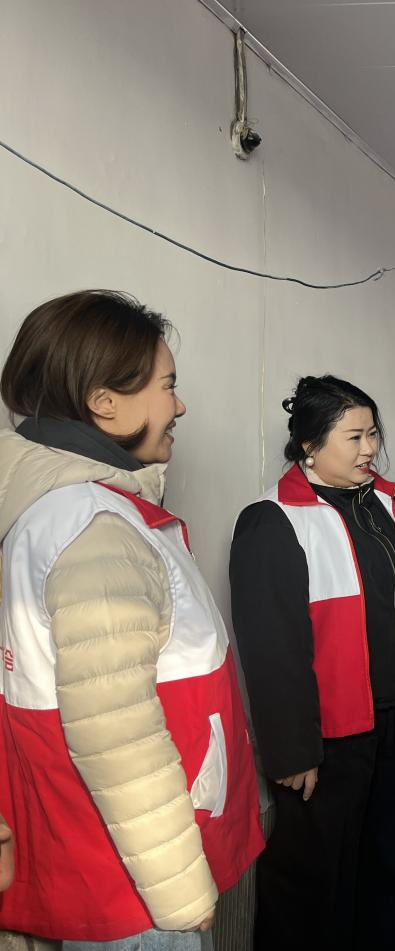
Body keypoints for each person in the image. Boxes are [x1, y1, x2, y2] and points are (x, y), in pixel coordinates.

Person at [0, 290, 263, 948]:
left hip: (118, 870)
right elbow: (119, 737)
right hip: (134, 893)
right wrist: (180, 891)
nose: (179, 406)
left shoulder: (80, 512)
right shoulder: (91, 528)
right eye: (167, 386)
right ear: (104, 403)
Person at [229, 375, 395, 951]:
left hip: (392, 717)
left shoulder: (387, 507)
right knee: (314, 881)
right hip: (328, 732)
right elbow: (270, 646)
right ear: (310, 445)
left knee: (388, 865)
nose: (369, 448)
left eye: (373, 434)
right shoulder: (274, 520)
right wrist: (292, 749)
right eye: (354, 437)